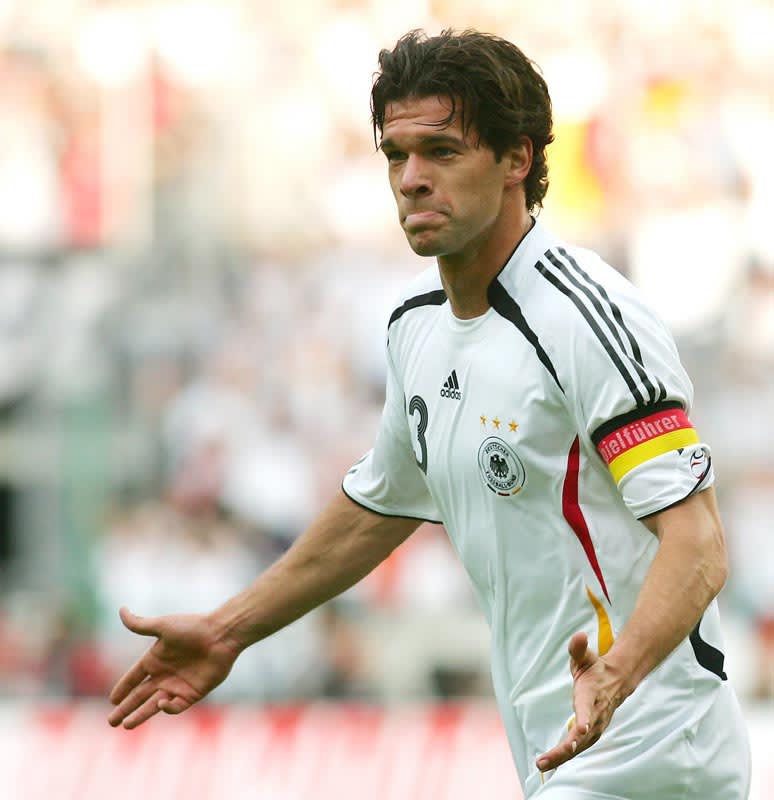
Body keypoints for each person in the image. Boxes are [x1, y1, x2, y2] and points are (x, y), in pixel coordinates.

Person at [107, 29, 751, 799]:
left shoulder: (583, 317)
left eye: (442, 151)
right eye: (396, 155)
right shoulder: (415, 325)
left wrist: (617, 674)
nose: (411, 180)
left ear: (517, 159)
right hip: (564, 745)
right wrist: (228, 628)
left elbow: (699, 542)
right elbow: (377, 507)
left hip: (654, 742)